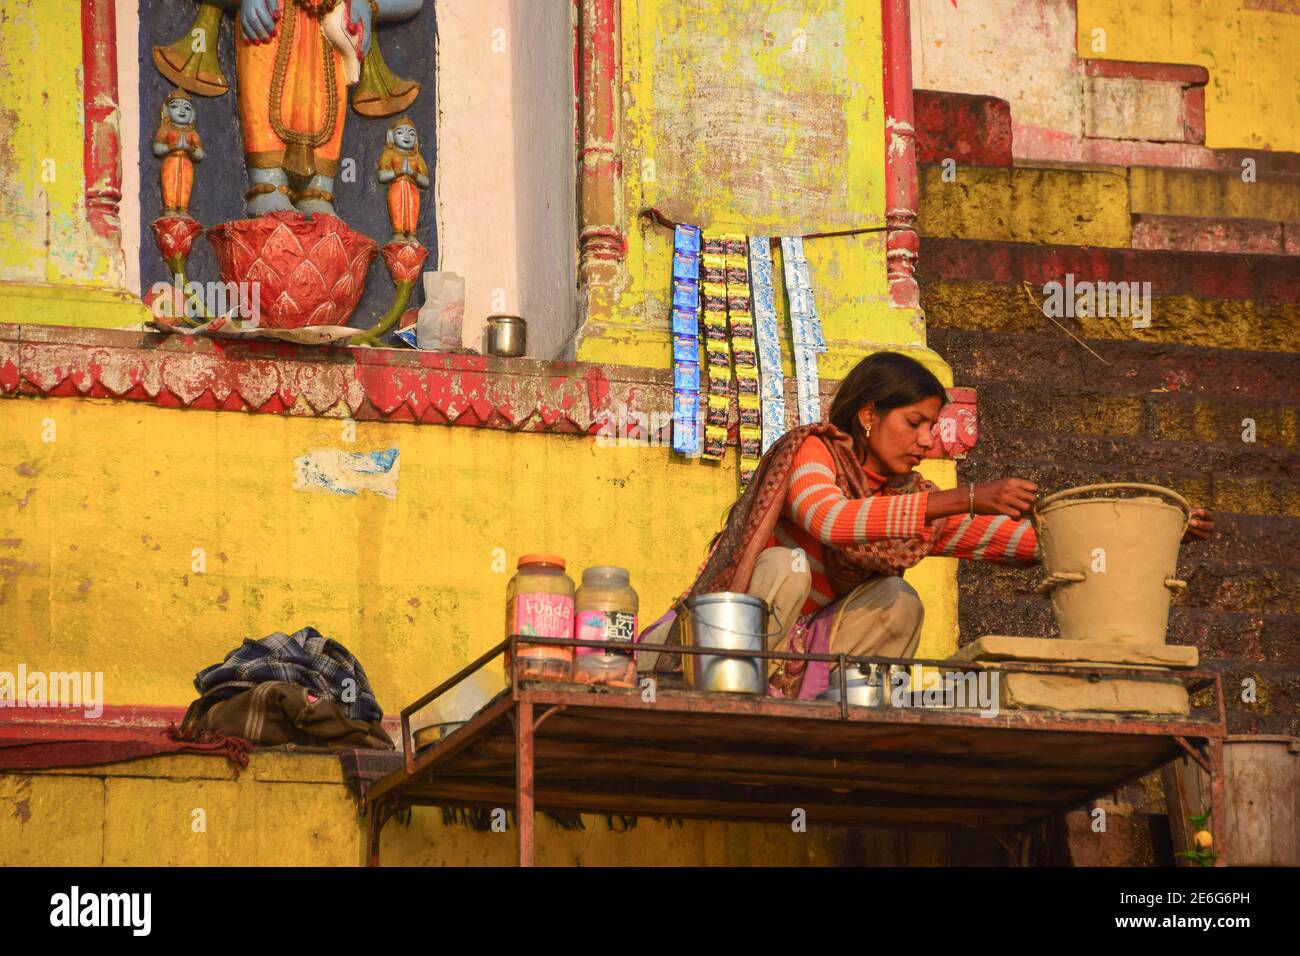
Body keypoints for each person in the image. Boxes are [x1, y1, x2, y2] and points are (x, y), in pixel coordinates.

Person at [639, 351, 1215, 697]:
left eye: (933, 426)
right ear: (868, 416)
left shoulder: (911, 506)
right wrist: (963, 498)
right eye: (915, 423)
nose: (926, 441)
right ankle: (735, 693)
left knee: (900, 599)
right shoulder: (813, 452)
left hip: (799, 667)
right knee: (786, 564)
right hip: (705, 654)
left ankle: (831, 712)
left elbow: (1037, 545)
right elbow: (834, 520)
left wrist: (1149, 534)